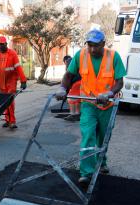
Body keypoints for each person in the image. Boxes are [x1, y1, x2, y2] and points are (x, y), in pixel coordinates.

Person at [56, 29, 126, 185]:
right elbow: (68, 75)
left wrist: (109, 93)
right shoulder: (80, 55)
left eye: (96, 46)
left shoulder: (114, 56)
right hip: (88, 103)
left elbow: (120, 82)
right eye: (90, 45)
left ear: (103, 44)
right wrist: (62, 88)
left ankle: (102, 162)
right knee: (88, 135)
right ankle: (86, 172)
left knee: (103, 137)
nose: (93, 49)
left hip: (107, 105)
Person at [0, 36, 27, 129]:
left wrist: (23, 81)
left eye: (2, 45)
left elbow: (18, 67)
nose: (0, 47)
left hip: (11, 81)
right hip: (1, 81)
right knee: (3, 101)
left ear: (6, 44)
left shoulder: (12, 53)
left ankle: (12, 121)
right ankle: (7, 120)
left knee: (9, 101)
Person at [63, 55, 81, 122]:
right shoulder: (74, 61)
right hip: (81, 81)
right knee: (76, 98)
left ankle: (74, 114)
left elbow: (68, 79)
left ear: (65, 61)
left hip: (77, 82)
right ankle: (77, 113)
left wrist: (66, 91)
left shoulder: (69, 63)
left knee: (71, 97)